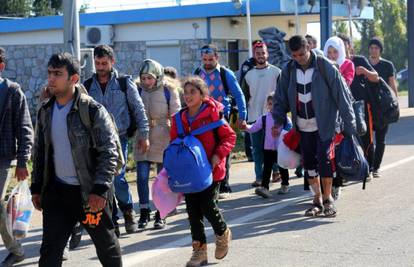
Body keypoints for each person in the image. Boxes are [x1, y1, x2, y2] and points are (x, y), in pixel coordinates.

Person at [31, 53, 122, 267]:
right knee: (49, 253)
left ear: (74, 79)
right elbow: (40, 152)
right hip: (57, 194)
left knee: (106, 247)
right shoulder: (45, 111)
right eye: (50, 73)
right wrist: (37, 187)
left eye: (58, 74)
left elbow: (109, 152)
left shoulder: (93, 111)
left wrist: (100, 190)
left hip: (89, 195)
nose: (51, 79)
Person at [272, 35, 356, 217]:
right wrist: (277, 120)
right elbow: (280, 98)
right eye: (294, 56)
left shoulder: (325, 66)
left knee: (325, 161)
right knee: (309, 163)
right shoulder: (288, 70)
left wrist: (350, 125)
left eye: (301, 54)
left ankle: (328, 200)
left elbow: (342, 96)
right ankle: (317, 199)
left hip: (325, 126)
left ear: (308, 47)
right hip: (302, 127)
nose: (299, 59)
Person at [82, 45, 150, 235]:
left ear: (113, 61)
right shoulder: (87, 86)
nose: (101, 67)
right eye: (97, 63)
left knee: (118, 178)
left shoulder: (124, 83)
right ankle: (112, 219)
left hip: (119, 137)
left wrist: (144, 135)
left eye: (104, 63)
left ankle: (127, 210)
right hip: (95, 141)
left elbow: (138, 109)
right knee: (103, 180)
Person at [170, 76, 235, 267]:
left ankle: (222, 232)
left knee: (207, 205)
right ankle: (199, 252)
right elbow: (174, 144)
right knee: (193, 213)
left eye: (193, 92)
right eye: (186, 92)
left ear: (202, 94)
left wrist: (217, 156)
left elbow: (229, 137)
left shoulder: (213, 114)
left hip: (211, 171)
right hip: (189, 174)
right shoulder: (179, 119)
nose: (188, 96)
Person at [194, 44, 247, 199]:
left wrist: (242, 116)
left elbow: (239, 94)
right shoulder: (197, 74)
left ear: (217, 57)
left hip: (220, 117)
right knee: (204, 151)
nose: (208, 62)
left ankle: (224, 184)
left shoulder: (226, 74)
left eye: (211, 59)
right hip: (201, 118)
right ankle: (206, 183)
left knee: (223, 150)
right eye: (205, 59)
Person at [134, 59, 181, 229]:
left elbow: (176, 115)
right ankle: (144, 210)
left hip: (163, 135)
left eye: (150, 78)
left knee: (161, 180)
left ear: (158, 76)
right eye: (143, 78)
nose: (146, 82)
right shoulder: (137, 89)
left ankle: (161, 213)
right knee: (141, 176)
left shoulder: (169, 89)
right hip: (143, 136)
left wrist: (179, 138)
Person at [0, 47, 34, 266]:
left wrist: (23, 161)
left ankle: (16, 250)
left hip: (4, 160)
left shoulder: (12, 92)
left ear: (1, 66)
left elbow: (25, 129)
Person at [337, 34, 380, 182]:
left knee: (365, 137)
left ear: (349, 46)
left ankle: (368, 168)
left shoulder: (359, 60)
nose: (340, 47)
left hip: (360, 106)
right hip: (341, 107)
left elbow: (376, 77)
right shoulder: (332, 63)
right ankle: (345, 171)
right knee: (344, 139)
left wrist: (365, 71)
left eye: (343, 44)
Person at [241, 41, 282, 187]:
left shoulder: (277, 72)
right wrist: (241, 116)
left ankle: (276, 172)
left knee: (274, 147)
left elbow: (282, 95)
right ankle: (259, 177)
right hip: (254, 117)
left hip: (273, 117)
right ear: (254, 55)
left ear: (267, 53)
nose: (261, 56)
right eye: (258, 53)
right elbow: (243, 98)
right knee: (257, 150)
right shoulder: (248, 75)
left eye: (263, 52)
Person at [244, 94, 291, 198]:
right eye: (270, 104)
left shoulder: (284, 118)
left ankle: (285, 184)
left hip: (280, 148)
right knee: (267, 168)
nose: (272, 106)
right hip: (268, 148)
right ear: (267, 105)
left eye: (275, 104)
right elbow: (254, 128)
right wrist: (245, 127)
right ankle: (265, 187)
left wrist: (281, 131)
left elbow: (290, 127)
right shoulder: (263, 118)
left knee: (282, 167)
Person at [368, 37, 398, 178]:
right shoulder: (365, 64)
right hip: (368, 106)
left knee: (380, 139)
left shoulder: (387, 65)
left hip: (383, 107)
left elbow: (392, 84)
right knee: (368, 139)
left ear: (380, 50)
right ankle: (368, 165)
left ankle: (376, 167)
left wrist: (395, 103)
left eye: (376, 48)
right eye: (372, 47)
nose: (374, 50)